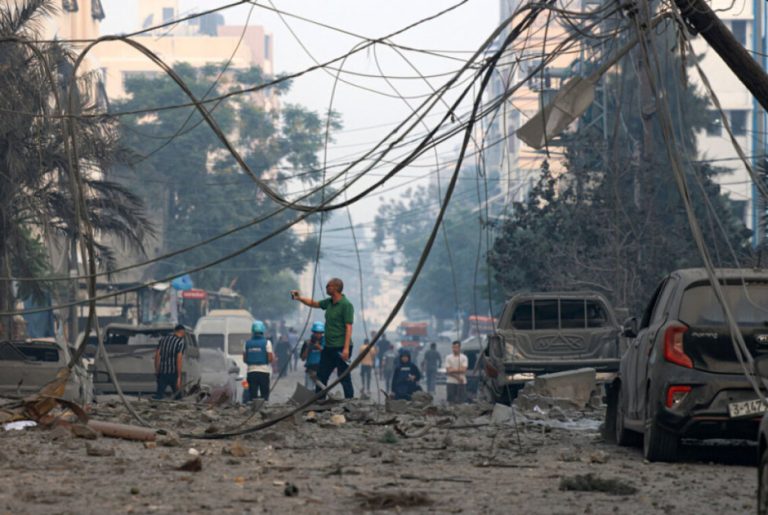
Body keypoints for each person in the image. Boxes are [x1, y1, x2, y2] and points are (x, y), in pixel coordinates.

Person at [291, 278, 354, 398]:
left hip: (341, 347)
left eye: (328, 286)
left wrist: (346, 349)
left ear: (335, 288)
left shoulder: (346, 305)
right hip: (329, 347)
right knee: (321, 376)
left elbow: (348, 327)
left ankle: (349, 402)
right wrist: (299, 298)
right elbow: (314, 303)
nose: (326, 288)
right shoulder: (329, 302)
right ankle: (319, 401)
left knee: (344, 376)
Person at [243, 320, 274, 402]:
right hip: (264, 372)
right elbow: (270, 358)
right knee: (265, 394)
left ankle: (253, 411)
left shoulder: (246, 343)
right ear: (263, 331)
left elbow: (244, 359)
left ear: (252, 331)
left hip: (251, 372)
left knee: (252, 395)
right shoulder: (267, 343)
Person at [154, 324, 186, 400]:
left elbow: (157, 355)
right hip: (173, 374)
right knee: (178, 396)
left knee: (158, 396)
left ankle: (154, 409)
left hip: (162, 372)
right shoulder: (180, 342)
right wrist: (179, 377)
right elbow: (179, 359)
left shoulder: (163, 339)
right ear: (182, 332)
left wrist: (157, 370)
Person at [300, 322, 325, 389]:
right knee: (309, 389)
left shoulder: (325, 342)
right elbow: (303, 358)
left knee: (320, 389)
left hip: (321, 369)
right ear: (313, 332)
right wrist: (308, 347)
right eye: (316, 333)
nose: (318, 335)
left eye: (320, 333)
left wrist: (318, 346)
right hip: (310, 369)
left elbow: (326, 353)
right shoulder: (307, 342)